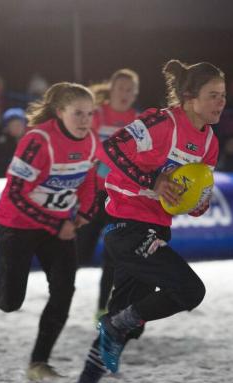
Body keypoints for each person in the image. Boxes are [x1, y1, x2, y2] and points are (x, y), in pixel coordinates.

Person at [66, 59, 225, 383]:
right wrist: (155, 179)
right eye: (213, 95)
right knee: (190, 291)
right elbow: (112, 148)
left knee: (125, 321)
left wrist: (197, 204)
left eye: (223, 96)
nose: (221, 103)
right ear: (189, 98)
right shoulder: (162, 122)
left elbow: (196, 195)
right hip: (127, 228)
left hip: (156, 230)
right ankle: (113, 327)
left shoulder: (210, 142)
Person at [0, 82, 99, 381]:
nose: (85, 121)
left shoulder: (91, 141)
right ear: (59, 113)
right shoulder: (38, 140)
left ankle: (38, 363)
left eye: (90, 114)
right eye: (78, 113)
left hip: (55, 229)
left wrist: (85, 213)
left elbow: (88, 180)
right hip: (16, 226)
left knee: (64, 292)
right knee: (9, 302)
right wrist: (57, 223)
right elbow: (16, 193)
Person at [77, 68, 140, 322]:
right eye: (121, 88)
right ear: (111, 90)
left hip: (122, 199)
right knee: (80, 255)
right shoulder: (98, 115)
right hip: (94, 195)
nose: (125, 94)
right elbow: (85, 148)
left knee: (112, 258)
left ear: (135, 94)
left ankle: (103, 309)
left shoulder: (138, 121)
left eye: (130, 90)